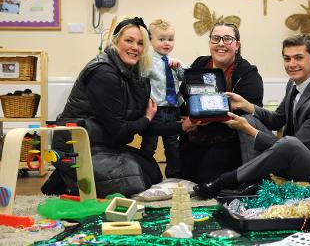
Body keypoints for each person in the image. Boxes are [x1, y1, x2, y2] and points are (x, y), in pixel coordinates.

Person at [41, 17, 196, 198]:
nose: (135, 47)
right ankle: (68, 176)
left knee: (152, 172)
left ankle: (70, 176)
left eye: (140, 43)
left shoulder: (138, 73)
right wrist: (146, 118)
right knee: (135, 181)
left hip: (106, 145)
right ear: (115, 42)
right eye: (128, 41)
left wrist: (181, 126)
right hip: (79, 145)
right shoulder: (103, 72)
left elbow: (145, 123)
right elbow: (121, 130)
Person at [193, 34, 310, 199]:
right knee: (251, 118)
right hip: (296, 154)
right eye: (287, 59)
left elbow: (296, 146)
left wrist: (249, 130)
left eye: (298, 58)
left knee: (282, 139)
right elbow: (277, 120)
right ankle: (255, 183)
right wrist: (246, 105)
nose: (291, 64)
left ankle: (224, 181)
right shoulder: (293, 84)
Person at [179, 22, 264, 184]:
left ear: (237, 45)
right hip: (194, 137)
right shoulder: (199, 64)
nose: (220, 44)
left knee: (207, 177)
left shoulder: (248, 75)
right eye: (216, 38)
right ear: (210, 43)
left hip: (230, 142)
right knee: (182, 179)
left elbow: (250, 115)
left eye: (227, 39)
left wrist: (206, 118)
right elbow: (186, 93)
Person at [140, 19, 188, 178]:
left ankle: (174, 176)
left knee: (173, 145)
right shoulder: (147, 60)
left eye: (170, 39)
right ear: (150, 40)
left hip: (172, 108)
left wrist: (179, 67)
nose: (167, 43)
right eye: (161, 39)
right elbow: (141, 78)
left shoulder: (174, 61)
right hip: (155, 109)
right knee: (149, 144)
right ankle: (145, 173)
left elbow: (186, 77)